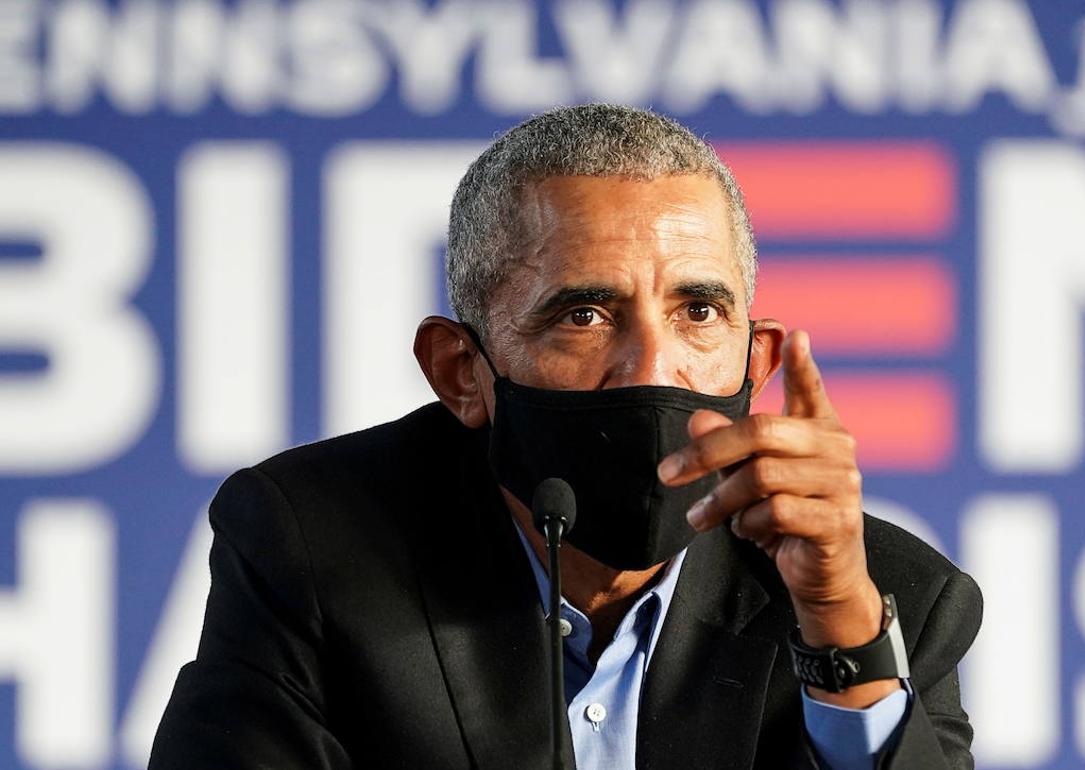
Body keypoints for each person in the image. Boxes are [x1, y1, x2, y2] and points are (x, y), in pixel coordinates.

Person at [151, 104, 982, 769]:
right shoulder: (313, 545)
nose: (651, 368)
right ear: (461, 373)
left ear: (755, 362)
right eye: (584, 315)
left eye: (698, 311)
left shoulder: (891, 594)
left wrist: (840, 630)